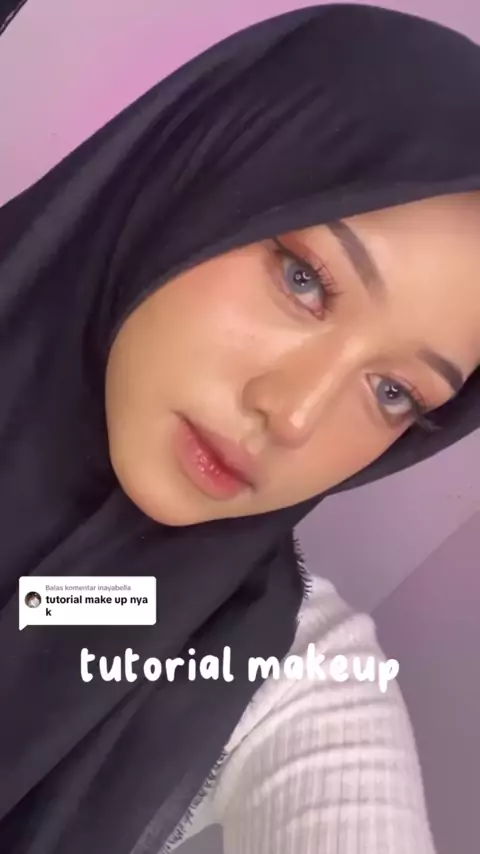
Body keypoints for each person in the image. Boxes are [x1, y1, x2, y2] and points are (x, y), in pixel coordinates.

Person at [0, 4, 479, 853]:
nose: (293, 416)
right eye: (304, 279)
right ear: (193, 175)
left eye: (394, 392)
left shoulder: (277, 666)